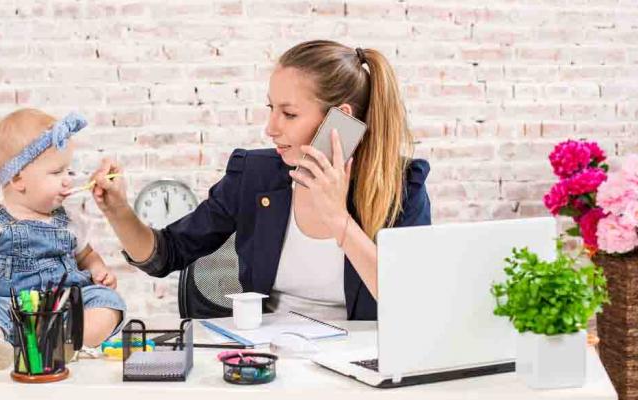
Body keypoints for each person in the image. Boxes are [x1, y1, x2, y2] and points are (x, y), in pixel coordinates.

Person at [90, 40, 430, 321]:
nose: (271, 127)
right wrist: (118, 210)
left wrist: (339, 220)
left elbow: (411, 302)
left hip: (361, 361)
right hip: (270, 358)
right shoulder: (254, 174)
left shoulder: (403, 187)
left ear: (339, 119)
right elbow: (167, 254)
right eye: (271, 108)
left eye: (289, 113)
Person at [0, 108, 125, 370]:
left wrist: (97, 268)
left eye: (68, 172)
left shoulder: (68, 222)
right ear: (17, 179)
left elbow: (87, 255)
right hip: (5, 310)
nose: (68, 181)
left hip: (61, 312)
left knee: (107, 301)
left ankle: (66, 341)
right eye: (57, 173)